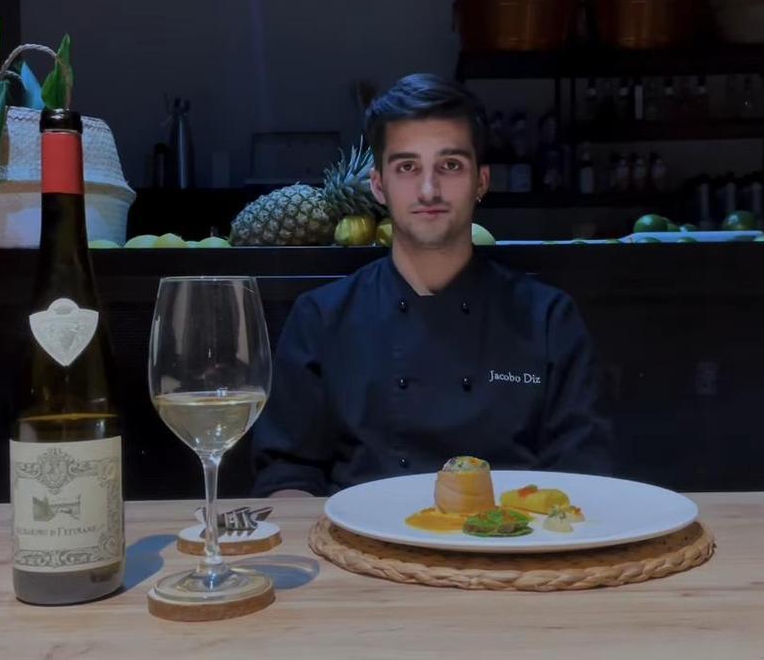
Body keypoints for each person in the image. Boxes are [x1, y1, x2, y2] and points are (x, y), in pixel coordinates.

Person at [250, 73, 612, 497]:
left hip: (514, 536)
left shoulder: (549, 319)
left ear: (481, 182)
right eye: (407, 167)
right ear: (379, 186)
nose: (428, 189)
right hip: (357, 539)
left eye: (450, 165)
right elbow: (287, 474)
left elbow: (583, 477)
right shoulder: (321, 318)